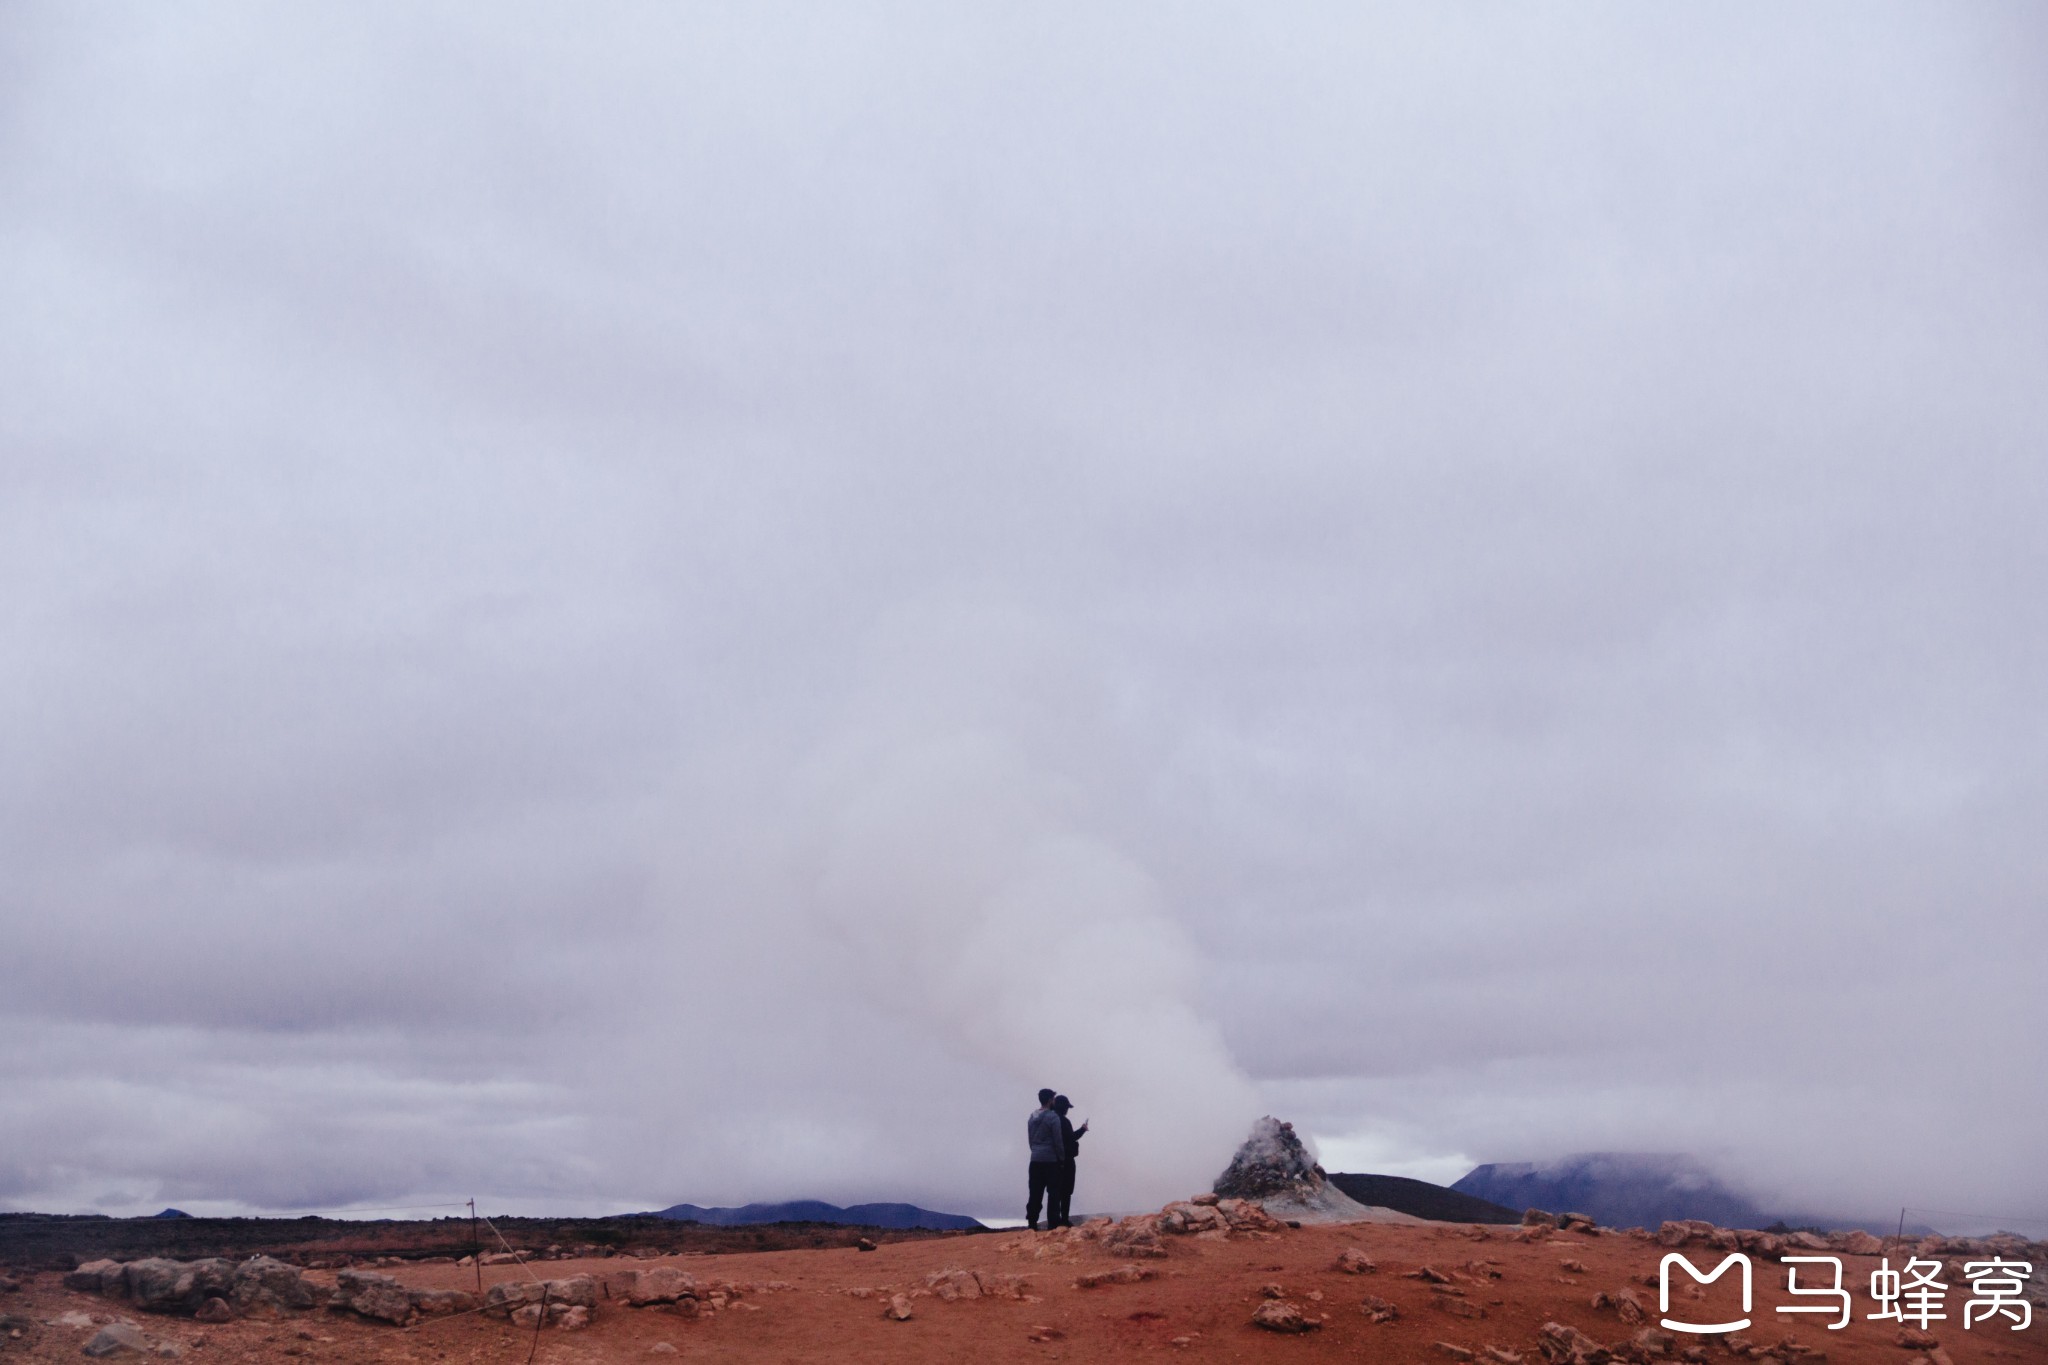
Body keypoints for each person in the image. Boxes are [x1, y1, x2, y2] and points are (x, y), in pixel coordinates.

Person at [1025, 1088, 1065, 1230]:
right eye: (1053, 1099)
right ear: (1049, 1100)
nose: (1054, 1101)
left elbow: (1030, 1139)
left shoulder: (1032, 1117)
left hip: (1035, 1160)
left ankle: (1031, 1223)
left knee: (1035, 1192)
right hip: (1051, 1161)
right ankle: (1053, 1224)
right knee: (1053, 1193)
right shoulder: (1053, 1117)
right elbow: (1058, 1141)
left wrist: (1035, 1151)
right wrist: (1061, 1159)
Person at [1047, 1094, 1088, 1228]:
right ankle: (1063, 1220)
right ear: (1064, 1107)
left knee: (1055, 1191)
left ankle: (1053, 1221)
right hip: (1066, 1160)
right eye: (1067, 1107)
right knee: (1066, 1191)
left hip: (1052, 1160)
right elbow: (1070, 1139)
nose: (1067, 1110)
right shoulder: (1063, 1121)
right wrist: (1082, 1130)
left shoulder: (1049, 1120)